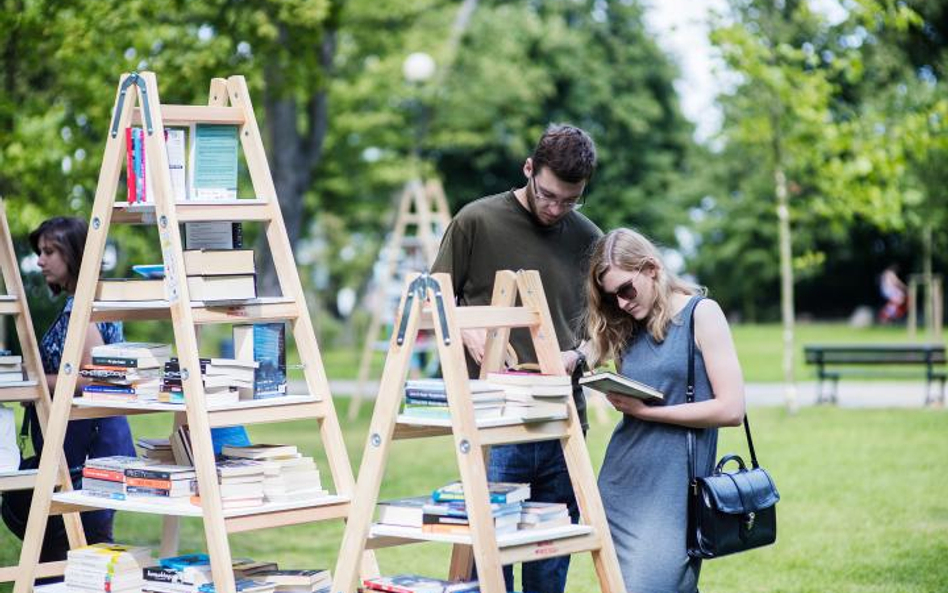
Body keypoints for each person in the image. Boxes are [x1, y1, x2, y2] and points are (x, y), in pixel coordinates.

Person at [431, 123, 601, 593]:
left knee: (549, 570)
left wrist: (578, 356)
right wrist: (469, 334)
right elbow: (434, 299)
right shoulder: (476, 221)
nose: (555, 209)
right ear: (528, 169)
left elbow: (605, 331)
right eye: (547, 194)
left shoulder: (589, 237)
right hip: (493, 420)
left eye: (570, 201)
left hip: (562, 422)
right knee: (491, 569)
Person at [582, 228, 745, 593]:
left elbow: (732, 409)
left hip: (675, 493)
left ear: (652, 268)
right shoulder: (626, 323)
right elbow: (590, 348)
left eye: (626, 290)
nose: (621, 303)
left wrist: (647, 412)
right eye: (611, 298)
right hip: (621, 484)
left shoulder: (702, 314)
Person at [25, 217, 136, 561]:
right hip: (93, 441)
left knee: (80, 552)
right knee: (78, 551)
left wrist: (36, 382)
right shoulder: (88, 301)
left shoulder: (83, 309)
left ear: (73, 254)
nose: (41, 260)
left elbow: (94, 376)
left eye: (50, 251)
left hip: (90, 446)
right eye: (39, 252)